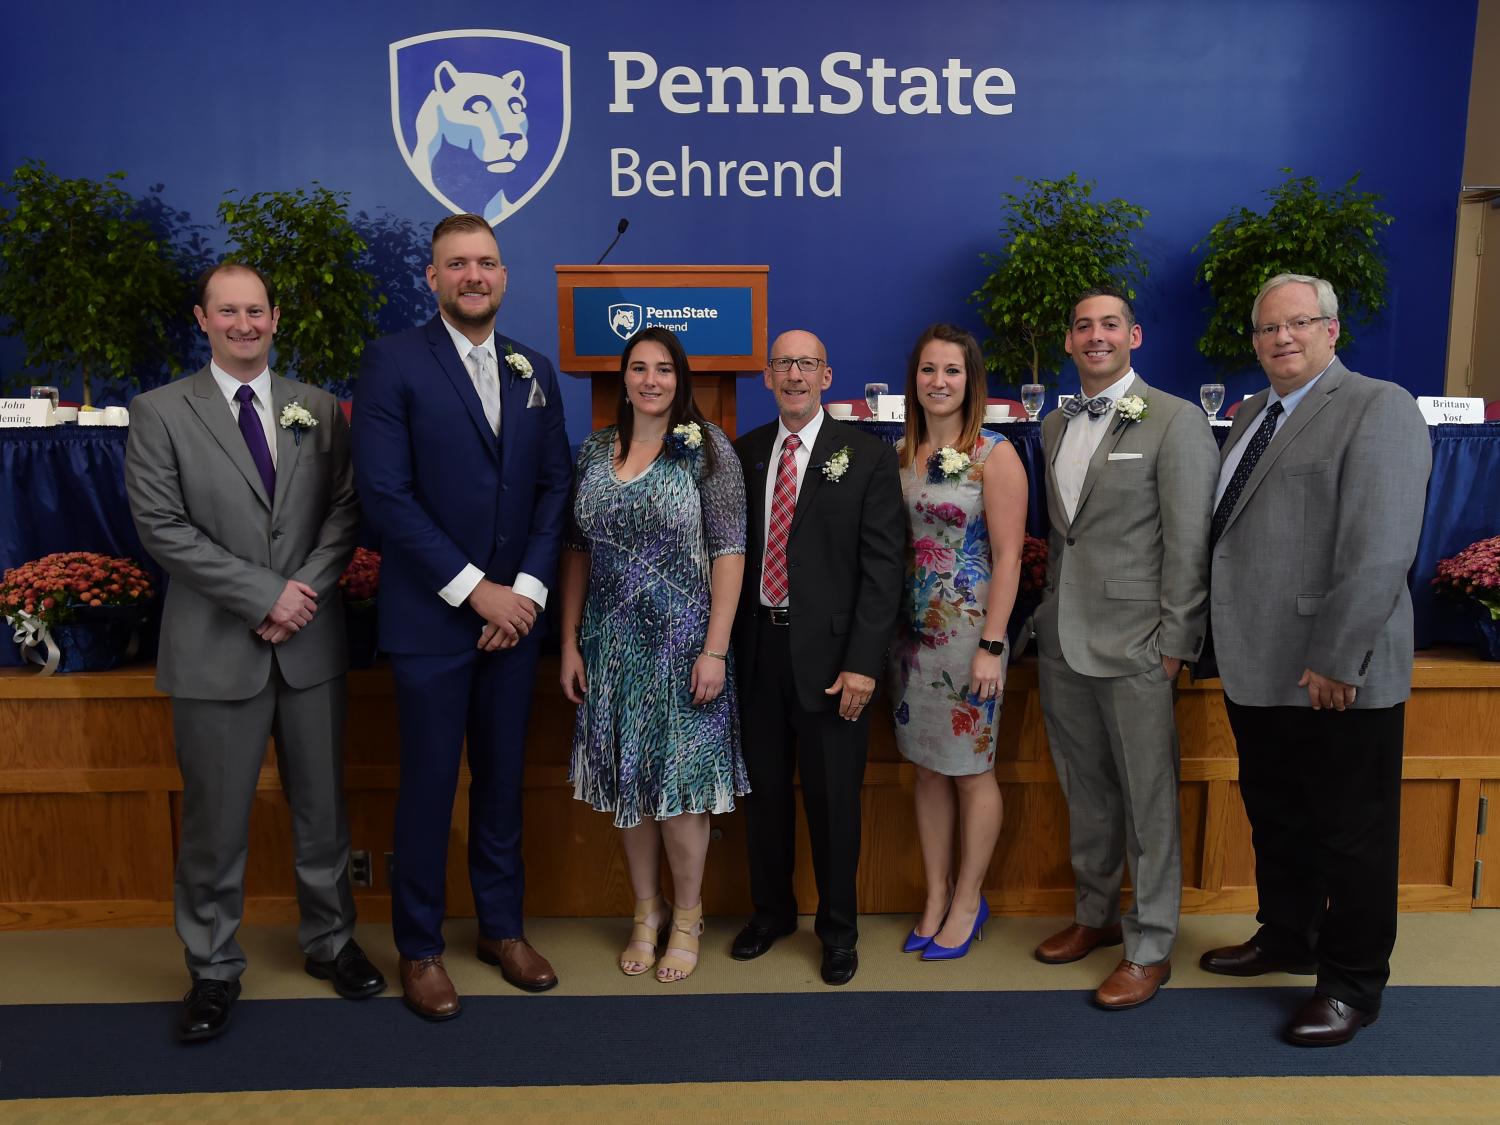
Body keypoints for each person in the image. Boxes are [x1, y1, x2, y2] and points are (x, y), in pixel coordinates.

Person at [125, 262, 383, 1042]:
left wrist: (301, 592)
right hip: (214, 649)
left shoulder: (318, 408)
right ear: (202, 319)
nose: (244, 323)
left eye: (257, 310)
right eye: (228, 311)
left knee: (323, 811)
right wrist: (263, 594)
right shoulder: (160, 411)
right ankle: (211, 967)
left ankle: (331, 941)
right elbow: (161, 527)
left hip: (310, 643)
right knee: (214, 823)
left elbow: (344, 511)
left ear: (275, 319)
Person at [1197, 273, 1430, 1046]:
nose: (1281, 338)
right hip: (1258, 661)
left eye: (1298, 323)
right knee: (1279, 817)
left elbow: (1380, 547)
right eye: (1268, 328)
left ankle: (1352, 983)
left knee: (1351, 834)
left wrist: (1338, 656)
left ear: (1332, 330)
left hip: (1334, 670)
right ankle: (1288, 936)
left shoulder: (1377, 406)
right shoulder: (1252, 413)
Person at [352, 213, 572, 1020]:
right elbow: (385, 495)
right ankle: (420, 947)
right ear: (433, 277)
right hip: (433, 622)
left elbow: (555, 486)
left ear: (504, 276)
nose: (473, 275)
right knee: (429, 788)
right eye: (457, 264)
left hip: (515, 624)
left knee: (503, 784)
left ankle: (502, 929)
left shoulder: (532, 367)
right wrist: (479, 590)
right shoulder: (392, 362)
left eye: (486, 262)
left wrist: (528, 594)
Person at [1032, 287, 1218, 1009]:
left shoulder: (1175, 419)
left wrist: (1175, 643)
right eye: (1083, 326)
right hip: (1064, 640)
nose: (1096, 336)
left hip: (1140, 645)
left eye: (1110, 324)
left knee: (1147, 801)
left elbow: (1189, 542)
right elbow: (1068, 537)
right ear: (1069, 340)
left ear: (1133, 335)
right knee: (1086, 790)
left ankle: (1151, 945)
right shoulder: (1054, 424)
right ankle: (1096, 914)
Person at [557, 327, 748, 983]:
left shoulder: (707, 448)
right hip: (610, 648)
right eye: (638, 368)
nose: (650, 380)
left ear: (680, 378)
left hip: (685, 647)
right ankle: (647, 910)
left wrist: (715, 649)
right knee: (628, 782)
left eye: (663, 369)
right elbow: (575, 551)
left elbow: (730, 553)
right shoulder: (593, 451)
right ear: (623, 378)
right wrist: (569, 641)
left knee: (682, 792)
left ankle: (688, 917)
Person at [730, 328, 904, 986]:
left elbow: (883, 570)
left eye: (807, 364)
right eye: (783, 364)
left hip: (835, 663)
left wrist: (863, 662)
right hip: (757, 652)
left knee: (834, 804)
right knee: (765, 798)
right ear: (768, 376)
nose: (795, 374)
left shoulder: (866, 456)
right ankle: (771, 913)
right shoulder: (745, 453)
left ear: (827, 377)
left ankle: (838, 930)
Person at [887, 324, 1027, 961]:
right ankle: (936, 893)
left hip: (970, 635)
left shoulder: (993, 454)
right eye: (928, 370)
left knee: (971, 771)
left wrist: (992, 644)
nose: (938, 382)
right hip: (910, 638)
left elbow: (1009, 555)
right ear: (913, 379)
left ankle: (969, 900)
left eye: (951, 371)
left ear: (971, 382)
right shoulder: (900, 452)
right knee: (926, 770)